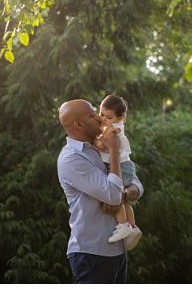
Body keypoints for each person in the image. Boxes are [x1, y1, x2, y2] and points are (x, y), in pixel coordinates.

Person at [57, 99, 143, 283]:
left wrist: (125, 194)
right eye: (92, 115)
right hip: (92, 253)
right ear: (78, 125)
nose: (98, 117)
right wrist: (113, 151)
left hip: (118, 252)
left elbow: (135, 184)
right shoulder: (71, 159)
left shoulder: (98, 147)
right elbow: (112, 195)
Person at [97, 94, 143, 250]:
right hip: (127, 166)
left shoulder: (113, 128)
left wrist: (91, 139)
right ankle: (132, 227)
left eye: (108, 117)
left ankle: (123, 225)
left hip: (123, 167)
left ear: (120, 118)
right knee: (124, 200)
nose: (103, 119)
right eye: (101, 114)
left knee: (116, 196)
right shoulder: (113, 126)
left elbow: (102, 144)